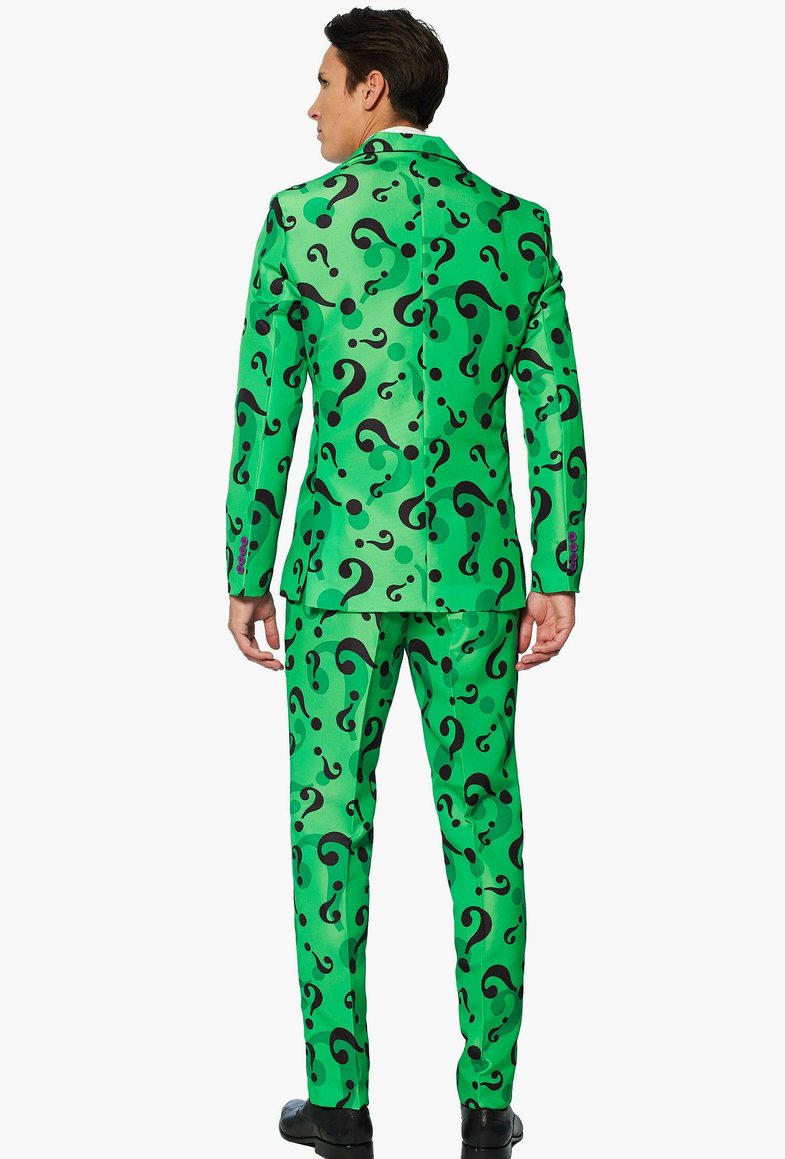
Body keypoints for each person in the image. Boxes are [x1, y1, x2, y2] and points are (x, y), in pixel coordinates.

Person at [225, 8, 587, 1157]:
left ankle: (339, 1103)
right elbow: (555, 413)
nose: (312, 105)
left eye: (326, 82)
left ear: (374, 89)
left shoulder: (300, 221)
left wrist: (245, 565)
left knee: (329, 825)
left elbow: (265, 408)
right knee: (484, 831)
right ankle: (485, 1107)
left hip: (337, 577)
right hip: (478, 578)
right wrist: (558, 567)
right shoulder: (513, 227)